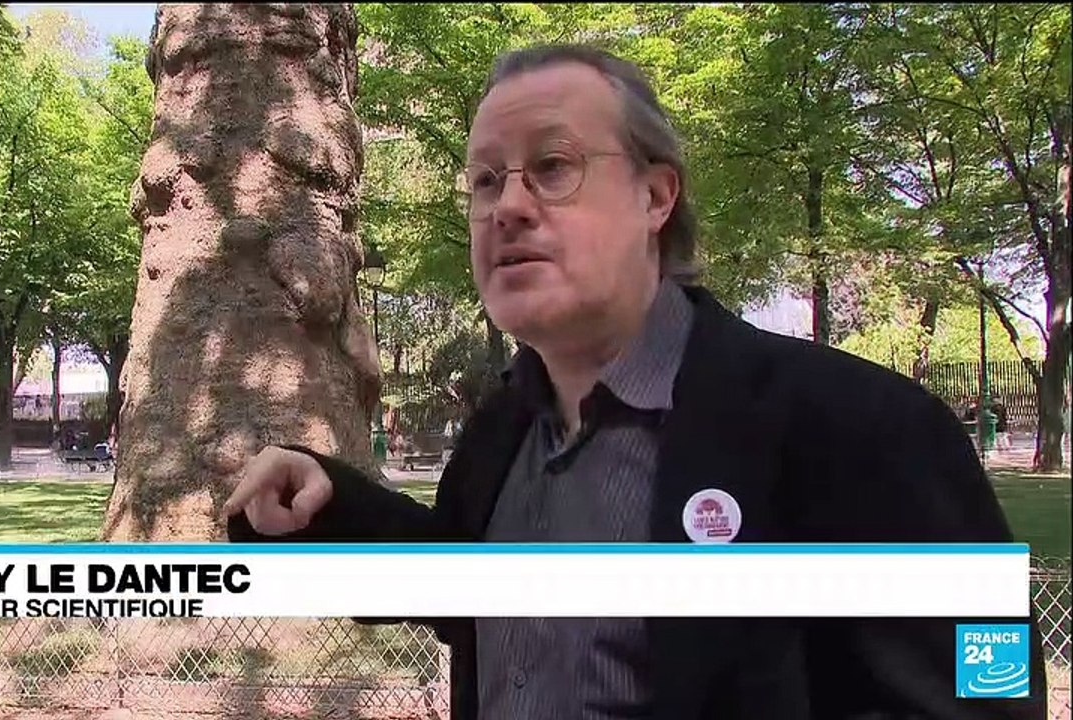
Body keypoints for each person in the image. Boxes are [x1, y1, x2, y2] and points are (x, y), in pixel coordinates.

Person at [222, 45, 1046, 719]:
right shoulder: (501, 432)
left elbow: (995, 687)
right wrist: (328, 499)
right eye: (484, 180)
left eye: (551, 166)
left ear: (655, 195)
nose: (506, 206)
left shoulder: (866, 429)